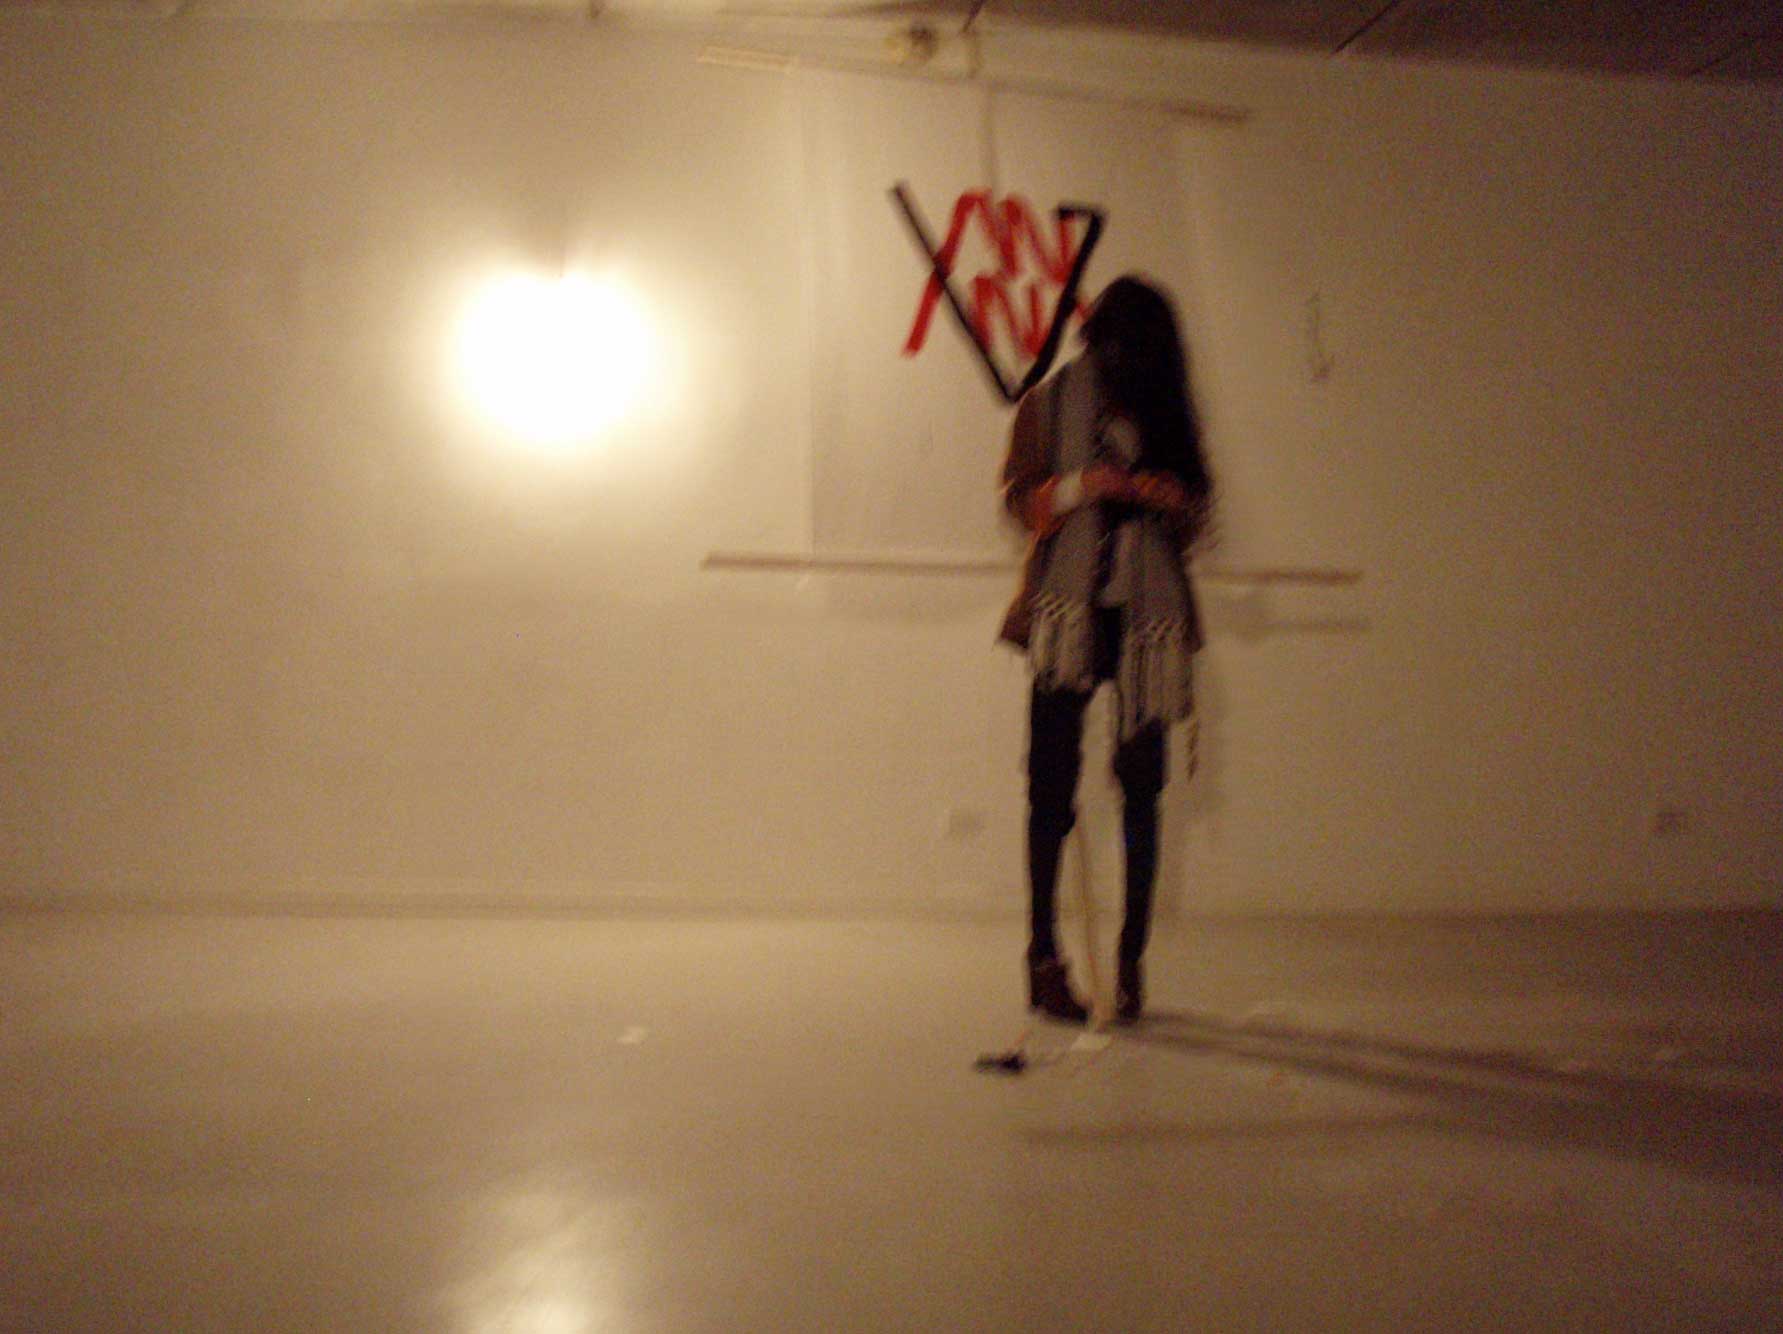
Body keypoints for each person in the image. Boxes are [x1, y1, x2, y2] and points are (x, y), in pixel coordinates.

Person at [997, 275, 1213, 1025]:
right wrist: (1081, 485)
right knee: (1049, 787)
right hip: (1067, 616)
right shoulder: (1051, 400)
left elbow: (1198, 513)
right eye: (1119, 346)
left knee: (1143, 787)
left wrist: (1169, 499)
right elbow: (1019, 501)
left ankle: (1129, 964)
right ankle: (1043, 959)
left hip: (1146, 625)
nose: (1126, 361)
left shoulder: (1168, 406)